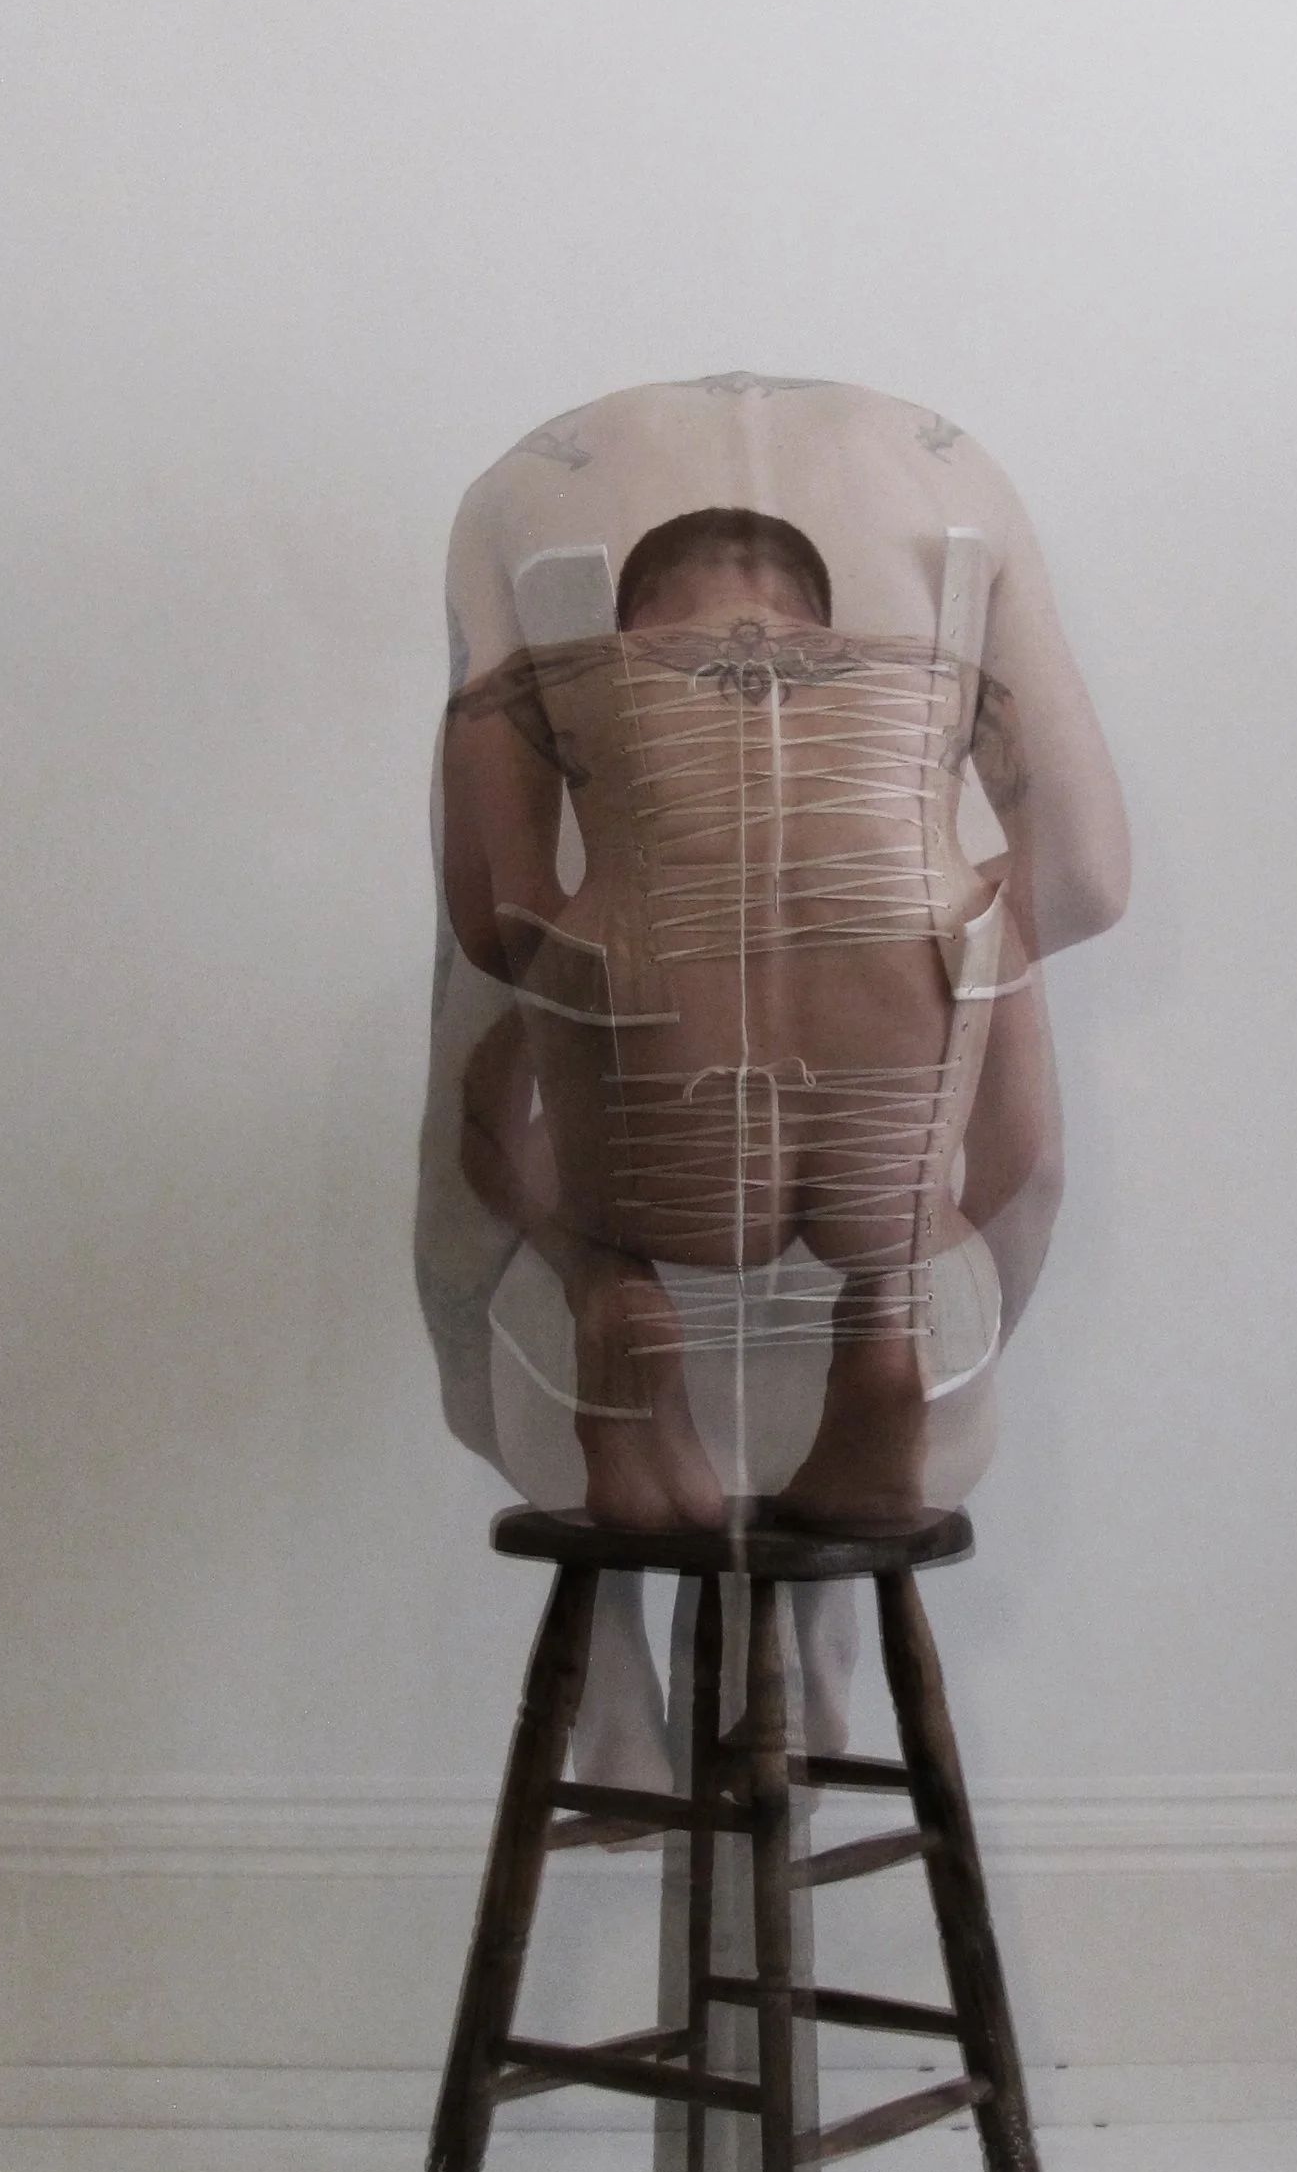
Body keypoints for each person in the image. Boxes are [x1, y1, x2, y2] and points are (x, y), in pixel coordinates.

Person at [414, 375, 1128, 1789]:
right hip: (907, 1223)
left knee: (509, 1066)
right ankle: (878, 1368)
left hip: (635, 1196)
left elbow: (485, 919)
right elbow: (1089, 880)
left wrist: (604, 948)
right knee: (981, 972)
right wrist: (923, 939)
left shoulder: (511, 509)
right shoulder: (958, 486)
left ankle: (615, 1403)